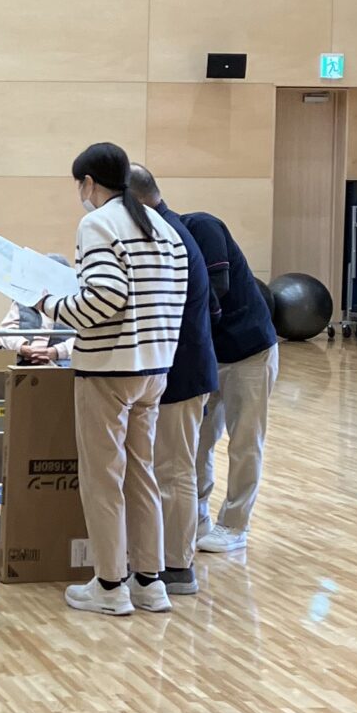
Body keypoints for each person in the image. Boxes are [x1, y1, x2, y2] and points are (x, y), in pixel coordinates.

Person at [42, 141, 190, 617]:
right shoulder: (164, 226)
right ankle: (150, 583)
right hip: (156, 368)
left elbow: (104, 298)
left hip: (108, 369)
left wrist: (49, 305)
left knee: (103, 480)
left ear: (88, 182)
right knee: (142, 475)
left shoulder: (99, 223)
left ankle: (109, 586)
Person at [126, 166, 217, 594]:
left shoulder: (170, 235)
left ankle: (177, 565)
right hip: (167, 367)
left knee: (174, 469)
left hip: (182, 370)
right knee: (162, 468)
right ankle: (154, 558)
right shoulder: (163, 230)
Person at [181, 201, 279, 557]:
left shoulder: (202, 226)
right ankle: (196, 516)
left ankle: (235, 525)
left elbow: (214, 290)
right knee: (197, 440)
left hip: (249, 351)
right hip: (209, 354)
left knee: (244, 442)